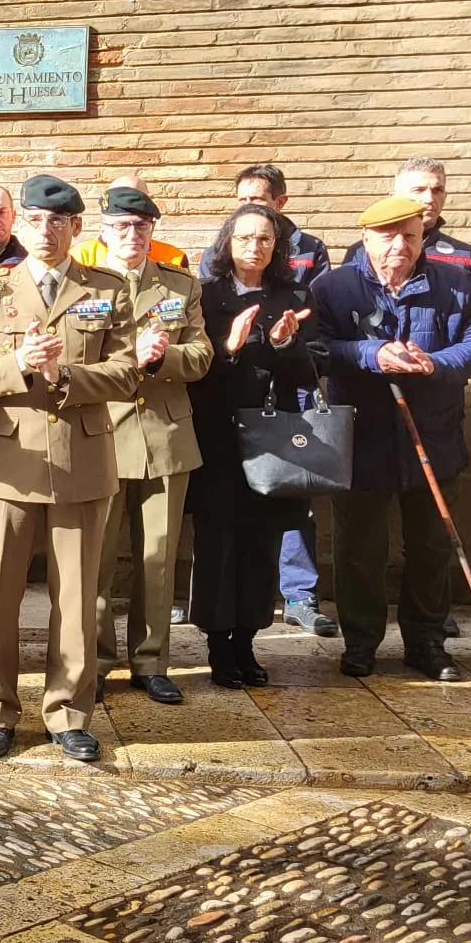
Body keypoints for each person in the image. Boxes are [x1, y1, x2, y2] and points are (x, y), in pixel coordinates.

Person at [0, 175, 137, 763]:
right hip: (11, 462)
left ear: (76, 228)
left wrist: (66, 376)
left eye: (58, 221)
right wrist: (17, 363)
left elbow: (129, 372)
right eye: (34, 220)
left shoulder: (107, 289)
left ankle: (68, 711)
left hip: (82, 459)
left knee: (79, 596)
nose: (45, 231)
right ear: (20, 225)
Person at [313, 196, 471, 682]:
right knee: (359, 548)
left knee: (432, 545)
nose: (399, 245)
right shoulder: (332, 287)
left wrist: (437, 363)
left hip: (433, 436)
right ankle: (362, 643)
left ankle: (427, 642)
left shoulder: (456, 285)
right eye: (388, 236)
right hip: (360, 438)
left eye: (410, 235)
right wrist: (372, 353)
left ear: (422, 238)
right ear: (366, 238)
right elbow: (319, 348)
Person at [88, 187, 211, 705]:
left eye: (141, 227)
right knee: (91, 559)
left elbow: (202, 353)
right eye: (120, 227)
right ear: (103, 232)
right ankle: (92, 660)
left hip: (165, 434)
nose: (131, 236)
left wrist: (165, 358)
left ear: (153, 232)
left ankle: (151, 659)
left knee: (157, 557)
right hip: (103, 434)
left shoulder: (179, 285)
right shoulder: (84, 286)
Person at [188, 204, 319, 689]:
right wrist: (231, 349)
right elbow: (195, 373)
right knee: (218, 541)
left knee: (262, 542)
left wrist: (287, 344)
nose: (254, 247)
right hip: (218, 436)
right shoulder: (204, 295)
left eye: (265, 239)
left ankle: (247, 641)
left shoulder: (294, 295)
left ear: (277, 247)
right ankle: (217, 646)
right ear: (227, 243)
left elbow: (311, 371)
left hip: (272, 439)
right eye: (244, 238)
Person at [342, 157, 471, 278]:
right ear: (394, 197)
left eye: (437, 190)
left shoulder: (465, 255)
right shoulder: (362, 251)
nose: (429, 199)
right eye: (418, 190)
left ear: (445, 196)